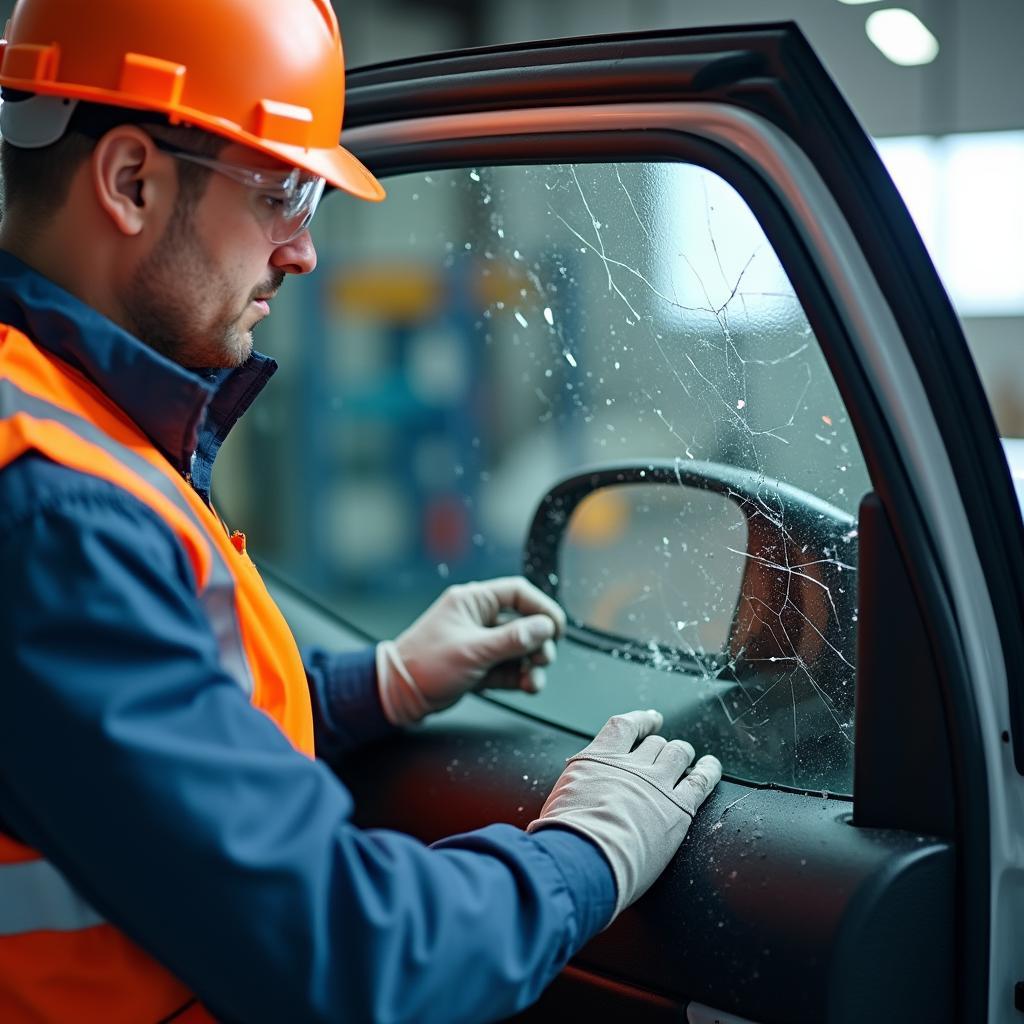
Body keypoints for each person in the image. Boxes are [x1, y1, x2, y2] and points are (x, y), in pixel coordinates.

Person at [0, 1, 722, 1021]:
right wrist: (582, 856)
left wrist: (373, 686)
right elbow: (343, 951)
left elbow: (122, 760)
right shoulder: (52, 503)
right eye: (282, 190)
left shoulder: (59, 424)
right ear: (129, 181)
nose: (301, 251)